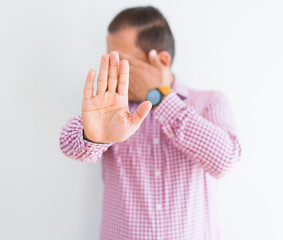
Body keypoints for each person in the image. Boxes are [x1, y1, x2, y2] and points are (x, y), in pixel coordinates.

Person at [59, 5, 242, 240]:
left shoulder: (208, 102)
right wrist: (93, 136)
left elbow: (224, 161)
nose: (112, 72)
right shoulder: (114, 111)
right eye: (109, 60)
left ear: (161, 60)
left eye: (122, 63)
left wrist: (160, 97)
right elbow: (71, 146)